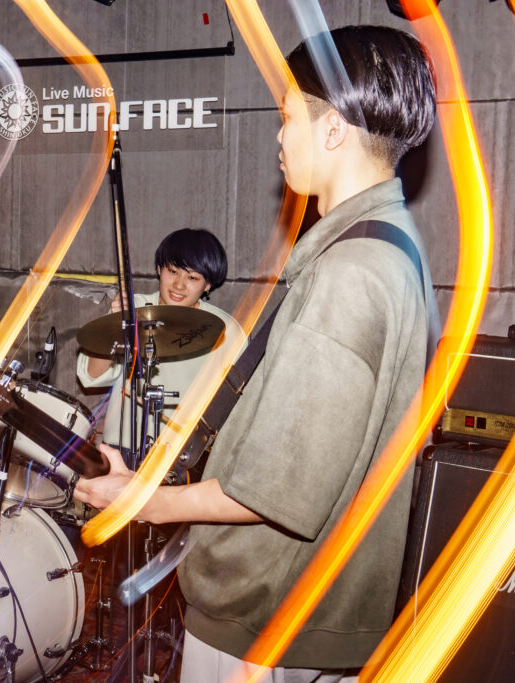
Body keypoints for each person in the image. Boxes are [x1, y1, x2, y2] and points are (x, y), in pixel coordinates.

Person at [75, 25, 437, 682]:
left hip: (266, 620)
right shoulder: (385, 250)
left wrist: (145, 501)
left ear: (333, 130)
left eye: (288, 116)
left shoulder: (349, 272)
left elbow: (274, 491)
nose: (278, 135)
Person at [76, 228, 245, 456]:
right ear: (159, 269)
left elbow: (238, 405)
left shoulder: (227, 330)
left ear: (208, 285)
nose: (179, 285)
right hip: (121, 448)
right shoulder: (133, 309)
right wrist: (113, 326)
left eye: (193, 277)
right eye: (172, 271)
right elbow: (90, 377)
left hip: (183, 455)